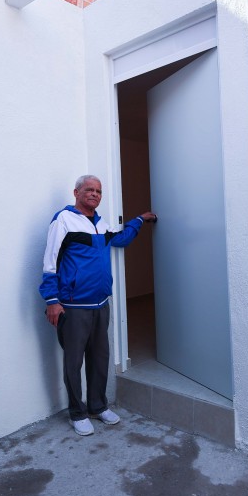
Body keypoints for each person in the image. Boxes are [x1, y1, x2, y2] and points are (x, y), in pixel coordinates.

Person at [39, 174, 157, 436]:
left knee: (100, 357)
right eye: (89, 190)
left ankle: (98, 406)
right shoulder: (64, 220)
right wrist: (52, 300)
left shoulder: (101, 224)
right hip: (73, 306)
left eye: (99, 191)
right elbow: (50, 261)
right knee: (74, 362)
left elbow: (120, 238)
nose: (94, 194)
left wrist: (139, 220)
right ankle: (77, 413)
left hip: (101, 303)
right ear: (76, 192)